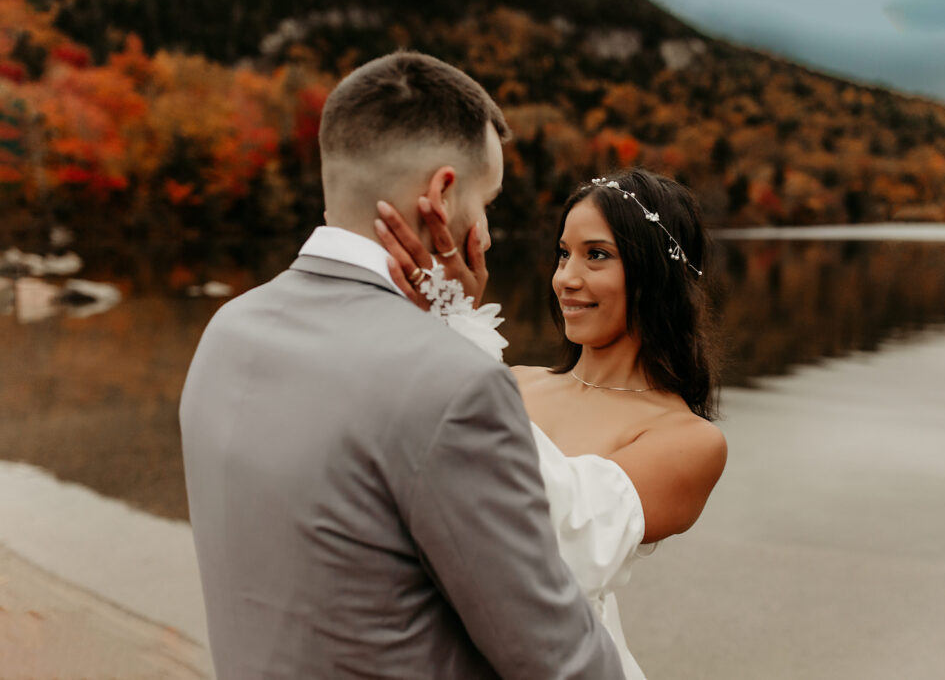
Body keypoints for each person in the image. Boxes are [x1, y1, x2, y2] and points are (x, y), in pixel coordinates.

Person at [179, 52, 626, 679]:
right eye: (487, 200)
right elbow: (560, 661)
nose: (488, 232)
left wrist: (443, 313)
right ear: (442, 195)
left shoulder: (228, 329)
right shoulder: (453, 388)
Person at [376, 168, 727, 679]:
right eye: (564, 253)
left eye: (597, 255)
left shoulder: (688, 441)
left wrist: (455, 329)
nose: (566, 277)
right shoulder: (512, 383)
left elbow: (549, 542)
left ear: (655, 272)